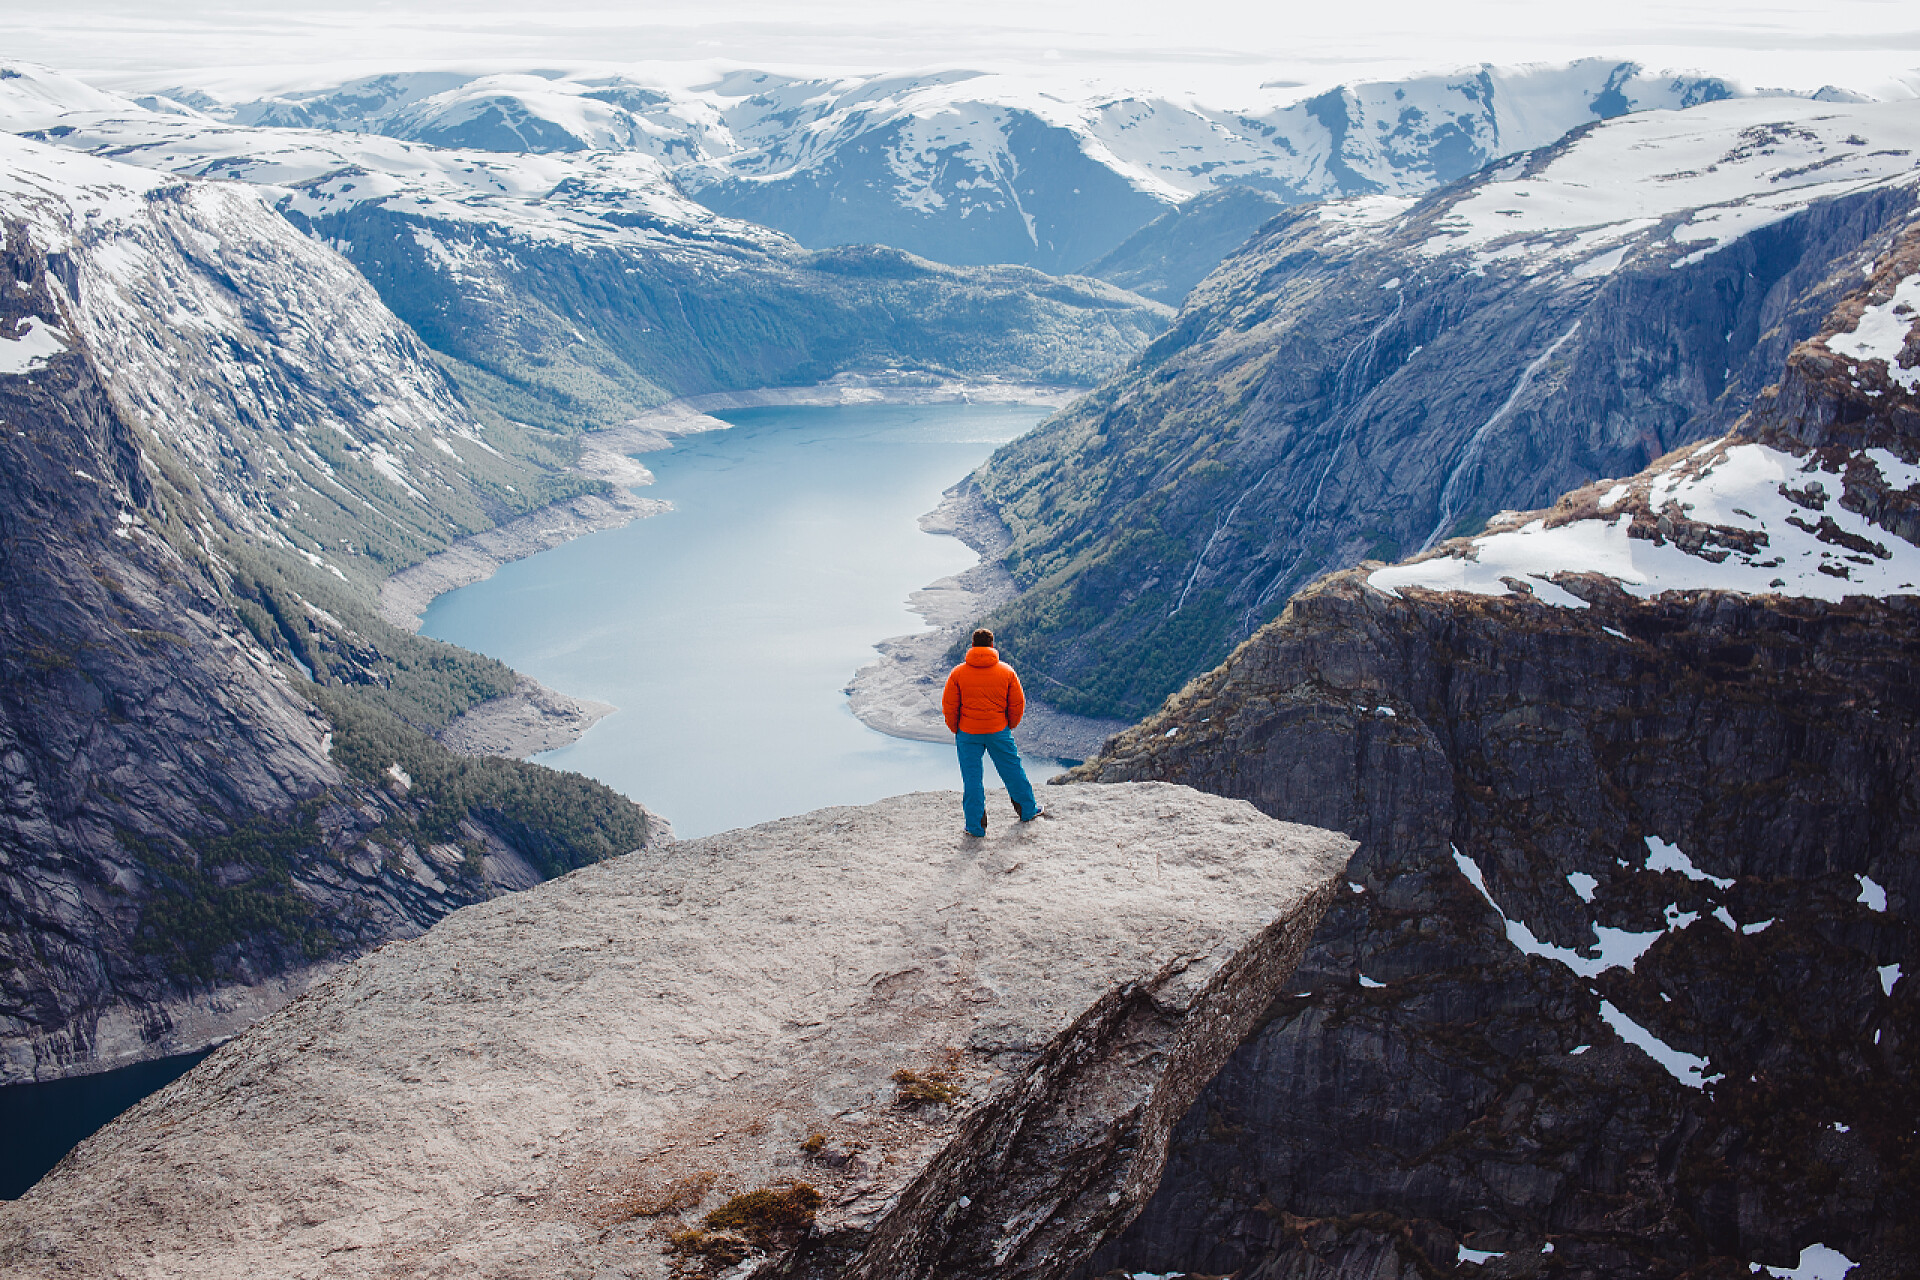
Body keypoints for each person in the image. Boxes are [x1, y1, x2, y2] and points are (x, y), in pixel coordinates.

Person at [942, 627, 1042, 837]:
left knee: (972, 779)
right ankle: (1027, 810)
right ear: (992, 645)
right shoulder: (1006, 671)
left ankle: (975, 827)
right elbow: (1017, 704)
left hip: (968, 733)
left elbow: (949, 706)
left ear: (972, 645)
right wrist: (1008, 725)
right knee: (1013, 770)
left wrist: (957, 729)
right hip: (998, 730)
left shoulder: (958, 673)